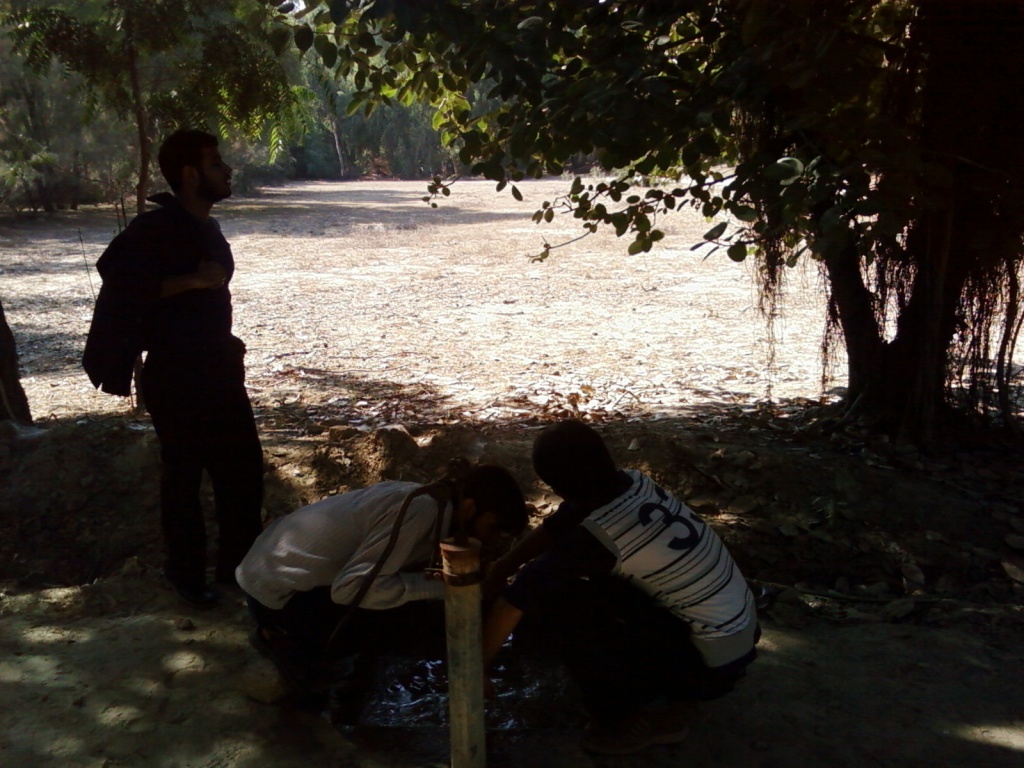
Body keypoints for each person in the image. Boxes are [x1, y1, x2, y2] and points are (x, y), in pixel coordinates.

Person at [482, 420, 759, 756]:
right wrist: (502, 567)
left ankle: (634, 719)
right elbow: (560, 524)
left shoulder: (602, 536)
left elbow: (516, 599)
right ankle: (665, 686)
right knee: (589, 589)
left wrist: (477, 666)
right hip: (737, 633)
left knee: (557, 606)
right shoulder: (630, 483)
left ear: (559, 486)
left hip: (711, 666)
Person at [85, 129, 263, 608]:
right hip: (177, 375)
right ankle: (185, 576)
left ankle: (240, 573)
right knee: (183, 478)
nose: (226, 170)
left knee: (242, 474)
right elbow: (120, 283)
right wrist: (189, 281)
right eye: (216, 163)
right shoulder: (153, 229)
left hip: (219, 369)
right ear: (190, 175)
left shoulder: (207, 227)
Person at [236, 463, 527, 718]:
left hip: (279, 580)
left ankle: (317, 650)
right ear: (469, 509)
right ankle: (288, 644)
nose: (489, 541)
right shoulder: (422, 509)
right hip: (275, 596)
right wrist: (444, 589)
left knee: (406, 602)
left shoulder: (435, 504)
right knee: (396, 619)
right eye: (491, 529)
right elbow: (351, 591)